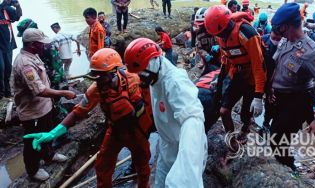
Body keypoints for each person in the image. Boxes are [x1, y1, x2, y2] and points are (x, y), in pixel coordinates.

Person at [23, 48, 153, 188]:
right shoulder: (96, 89)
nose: (97, 81)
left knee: (142, 165)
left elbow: (150, 103)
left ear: (114, 71)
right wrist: (53, 133)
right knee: (102, 166)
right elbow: (78, 112)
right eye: (95, 77)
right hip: (115, 131)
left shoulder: (134, 79)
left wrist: (151, 127)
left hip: (137, 131)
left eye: (100, 76)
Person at [124, 37, 207, 187]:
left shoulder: (175, 82)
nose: (139, 79)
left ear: (153, 62)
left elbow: (192, 118)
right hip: (166, 145)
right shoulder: (154, 76)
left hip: (183, 147)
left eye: (141, 74)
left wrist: (185, 167)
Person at [270, 3, 315, 171]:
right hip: (279, 97)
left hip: (297, 100)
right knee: (277, 135)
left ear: (289, 26)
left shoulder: (312, 53)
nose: (278, 33)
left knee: (277, 136)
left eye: (280, 29)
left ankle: (289, 170)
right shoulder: (286, 40)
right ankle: (283, 165)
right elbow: (277, 65)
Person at [12, 28, 76, 181]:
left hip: (44, 107)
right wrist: (64, 93)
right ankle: (32, 170)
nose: (44, 46)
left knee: (47, 131)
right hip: (32, 111)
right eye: (41, 44)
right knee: (31, 142)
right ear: (32, 44)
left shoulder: (34, 55)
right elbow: (39, 90)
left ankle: (48, 155)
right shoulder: (24, 63)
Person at [204, 5, 266, 141]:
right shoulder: (221, 36)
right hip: (237, 75)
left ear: (225, 26)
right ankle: (231, 140)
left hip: (253, 78)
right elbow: (226, 61)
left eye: (220, 34)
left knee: (245, 114)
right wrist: (219, 82)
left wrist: (258, 96)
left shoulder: (246, 33)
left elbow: (259, 66)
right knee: (223, 111)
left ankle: (245, 128)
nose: (219, 37)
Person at [17, 19, 66, 90]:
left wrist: (59, 81)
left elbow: (57, 65)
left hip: (52, 78)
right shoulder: (32, 43)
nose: (23, 37)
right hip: (42, 78)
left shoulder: (44, 44)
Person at [0, 0, 22, 99]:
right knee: (1, 68)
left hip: (8, 45)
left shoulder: (7, 9)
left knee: (8, 69)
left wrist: (17, 5)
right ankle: (1, 93)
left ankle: (7, 92)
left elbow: (18, 16)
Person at [260, 30, 281, 131]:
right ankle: (248, 120)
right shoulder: (263, 39)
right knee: (255, 98)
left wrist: (271, 84)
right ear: (271, 31)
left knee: (271, 102)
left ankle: (266, 122)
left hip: (275, 78)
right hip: (260, 75)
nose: (276, 39)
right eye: (275, 36)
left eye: (279, 37)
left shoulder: (285, 44)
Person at [193, 7, 220, 75]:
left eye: (203, 24)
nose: (202, 26)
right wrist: (205, 55)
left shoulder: (218, 30)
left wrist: (220, 46)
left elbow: (226, 42)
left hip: (220, 57)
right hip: (207, 59)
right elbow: (199, 48)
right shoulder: (199, 34)